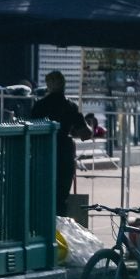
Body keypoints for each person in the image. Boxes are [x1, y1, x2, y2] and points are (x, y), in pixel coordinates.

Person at [30, 71, 95, 215]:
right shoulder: (70, 106)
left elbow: (31, 130)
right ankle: (58, 231)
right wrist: (90, 125)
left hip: (43, 154)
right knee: (61, 198)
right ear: (63, 85)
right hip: (64, 156)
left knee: (41, 197)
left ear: (49, 85)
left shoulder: (39, 106)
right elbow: (85, 134)